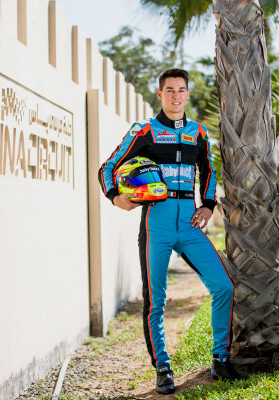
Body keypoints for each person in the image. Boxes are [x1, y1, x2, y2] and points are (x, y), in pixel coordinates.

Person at [98, 68, 242, 394]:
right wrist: (115, 196)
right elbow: (108, 166)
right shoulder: (144, 130)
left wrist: (207, 205)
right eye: (169, 90)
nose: (176, 96)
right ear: (160, 94)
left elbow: (208, 170)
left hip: (189, 223)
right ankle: (162, 365)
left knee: (223, 286)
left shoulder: (198, 133)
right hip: (156, 224)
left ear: (187, 94)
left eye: (181, 90)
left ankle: (220, 358)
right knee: (156, 301)